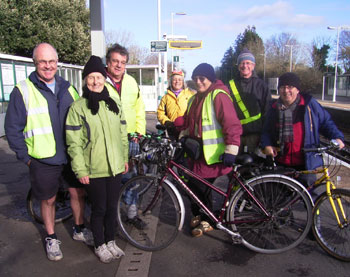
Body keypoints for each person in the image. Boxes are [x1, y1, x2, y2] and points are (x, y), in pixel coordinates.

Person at [4, 43, 92, 262]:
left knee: (78, 193)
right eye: (43, 62)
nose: (48, 66)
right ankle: (51, 237)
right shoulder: (23, 90)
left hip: (72, 155)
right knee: (48, 200)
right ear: (35, 63)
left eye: (52, 61)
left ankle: (79, 228)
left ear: (57, 62)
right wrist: (26, 159)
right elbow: (12, 128)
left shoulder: (68, 88)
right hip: (43, 159)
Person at [65, 56, 128, 263]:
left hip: (115, 167)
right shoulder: (78, 107)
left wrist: (124, 158)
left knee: (112, 208)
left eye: (98, 77)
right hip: (94, 168)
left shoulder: (113, 102)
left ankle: (110, 241)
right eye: (91, 77)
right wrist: (80, 170)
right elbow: (73, 143)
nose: (95, 81)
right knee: (99, 209)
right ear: (85, 80)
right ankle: (100, 244)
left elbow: (122, 133)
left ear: (104, 78)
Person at [178, 63, 242, 237]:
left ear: (210, 79)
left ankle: (209, 220)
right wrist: (176, 131)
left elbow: (232, 124)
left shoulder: (219, 96)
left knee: (199, 187)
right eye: (195, 78)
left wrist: (231, 150)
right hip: (197, 154)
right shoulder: (194, 98)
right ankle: (200, 215)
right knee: (191, 186)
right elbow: (187, 123)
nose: (198, 82)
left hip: (214, 155)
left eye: (202, 78)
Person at [261, 72, 345, 188]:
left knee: (310, 199)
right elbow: (266, 131)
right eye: (282, 87)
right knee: (279, 201)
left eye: (290, 87)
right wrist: (267, 145)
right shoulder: (273, 108)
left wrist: (337, 137)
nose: (286, 91)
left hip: (306, 163)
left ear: (297, 90)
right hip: (281, 162)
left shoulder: (309, 105)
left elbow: (326, 122)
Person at [105, 43, 146, 229]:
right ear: (108, 62)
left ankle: (131, 213)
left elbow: (139, 109)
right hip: (107, 140)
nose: (119, 65)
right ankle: (110, 217)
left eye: (122, 62)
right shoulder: (99, 80)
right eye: (115, 61)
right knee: (109, 179)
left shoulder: (131, 82)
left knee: (132, 178)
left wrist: (139, 133)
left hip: (130, 139)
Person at [228, 48, 271, 154]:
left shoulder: (261, 86)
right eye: (242, 63)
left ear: (253, 66)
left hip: (255, 136)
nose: (245, 66)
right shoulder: (230, 86)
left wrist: (266, 138)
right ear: (238, 66)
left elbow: (267, 112)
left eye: (248, 63)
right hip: (236, 136)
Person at [157, 70, 195, 135]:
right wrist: (166, 122)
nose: (177, 82)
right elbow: (160, 113)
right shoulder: (165, 98)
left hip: (187, 131)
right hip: (171, 131)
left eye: (180, 80)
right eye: (174, 79)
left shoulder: (191, 95)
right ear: (171, 82)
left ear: (183, 82)